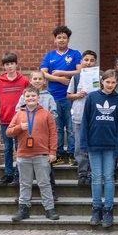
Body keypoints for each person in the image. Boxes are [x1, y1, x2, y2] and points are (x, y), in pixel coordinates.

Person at [8, 85, 59, 221]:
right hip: (23, 155)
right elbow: (9, 131)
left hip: (41, 154)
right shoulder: (19, 114)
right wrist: (19, 127)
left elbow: (53, 134)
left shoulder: (46, 114)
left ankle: (49, 208)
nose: (30, 98)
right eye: (28, 96)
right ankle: (23, 208)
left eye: (33, 96)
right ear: (24, 99)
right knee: (25, 183)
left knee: (44, 183)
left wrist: (52, 152)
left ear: (38, 98)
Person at [81, 69, 118, 227]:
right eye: (108, 82)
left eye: (113, 82)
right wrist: (84, 143)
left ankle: (108, 209)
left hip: (110, 145)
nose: (110, 85)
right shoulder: (92, 97)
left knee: (109, 177)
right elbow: (85, 121)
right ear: (102, 82)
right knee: (97, 178)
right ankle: (96, 208)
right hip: (94, 144)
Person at [40, 25, 82, 167]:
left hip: (70, 97)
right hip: (54, 98)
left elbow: (80, 71)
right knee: (56, 128)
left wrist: (60, 72)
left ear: (68, 39)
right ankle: (57, 154)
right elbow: (43, 73)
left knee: (71, 128)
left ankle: (72, 154)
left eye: (64, 37)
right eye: (59, 37)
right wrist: (59, 79)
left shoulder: (75, 54)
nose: (62, 40)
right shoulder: (49, 56)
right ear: (55, 40)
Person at [0, 51, 30, 186]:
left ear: (16, 65)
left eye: (12, 64)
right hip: (5, 120)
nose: (9, 66)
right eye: (7, 64)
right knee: (7, 148)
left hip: (20, 120)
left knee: (19, 147)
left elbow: (28, 98)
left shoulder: (24, 81)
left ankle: (19, 174)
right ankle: (8, 174)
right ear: (4, 66)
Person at [67, 50, 99, 185]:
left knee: (93, 145)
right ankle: (82, 173)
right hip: (79, 116)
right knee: (80, 146)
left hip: (95, 117)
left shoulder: (99, 77)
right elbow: (69, 95)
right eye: (86, 60)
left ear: (95, 62)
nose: (88, 63)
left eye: (91, 60)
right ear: (81, 62)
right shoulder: (76, 78)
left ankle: (93, 172)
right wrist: (78, 95)